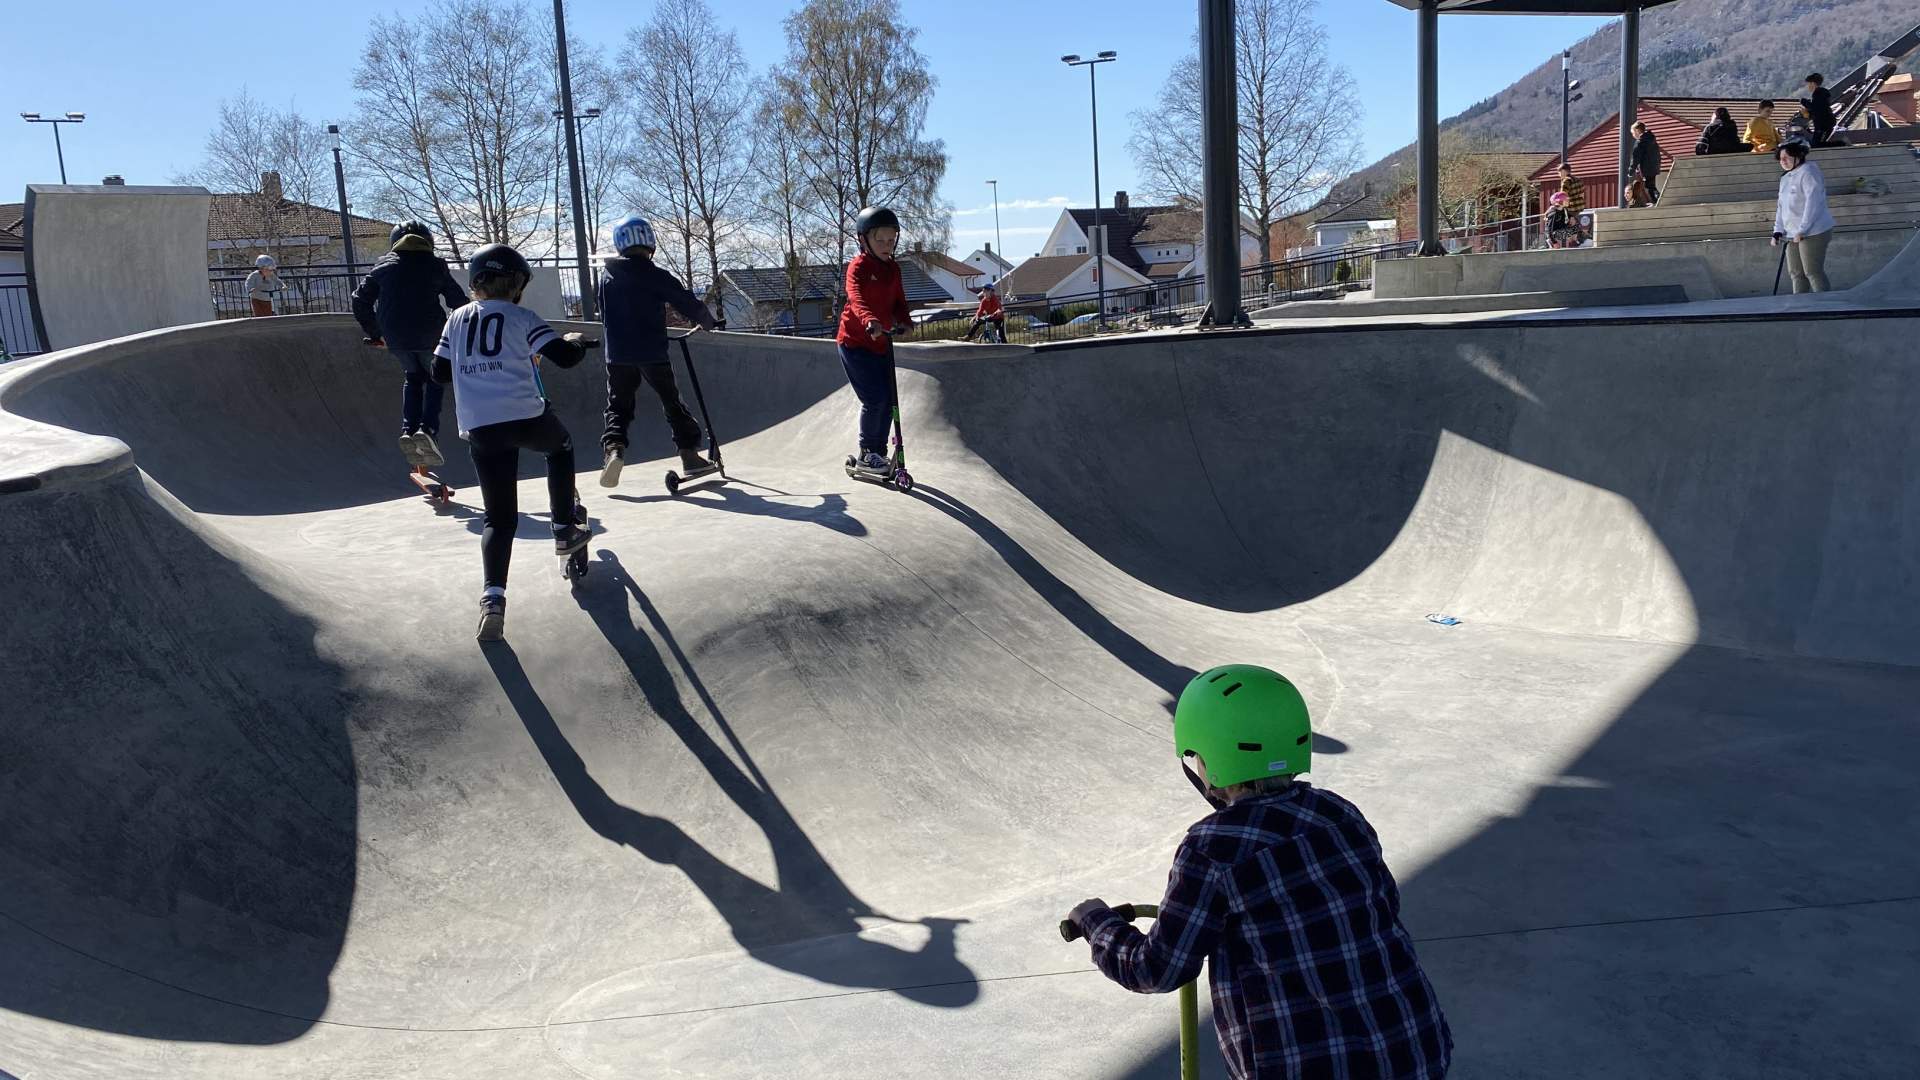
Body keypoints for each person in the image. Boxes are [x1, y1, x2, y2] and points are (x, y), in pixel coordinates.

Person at [1065, 665, 1452, 1079]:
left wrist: (1097, 922)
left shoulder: (1212, 847)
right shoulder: (1340, 813)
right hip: (1414, 1049)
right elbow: (1384, 906)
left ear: (1209, 758)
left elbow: (1157, 968)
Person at [431, 243, 596, 641]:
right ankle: (562, 528)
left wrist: (479, 371)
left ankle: (493, 601)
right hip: (526, 418)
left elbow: (439, 373)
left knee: (499, 519)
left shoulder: (455, 320)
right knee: (560, 448)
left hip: (482, 429)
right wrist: (574, 340)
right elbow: (566, 358)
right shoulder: (523, 317)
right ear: (517, 286)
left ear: (475, 283)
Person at [594, 213, 719, 488]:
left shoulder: (606, 277)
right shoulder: (653, 274)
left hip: (617, 354)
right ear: (650, 243)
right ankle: (689, 455)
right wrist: (708, 321)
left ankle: (614, 450)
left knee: (618, 405)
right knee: (672, 402)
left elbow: (603, 313)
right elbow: (683, 300)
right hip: (652, 352)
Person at [351, 220, 469, 469]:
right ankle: (428, 431)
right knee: (436, 379)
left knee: (413, 377)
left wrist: (376, 333)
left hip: (396, 338)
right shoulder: (436, 265)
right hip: (430, 335)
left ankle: (409, 430)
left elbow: (360, 301)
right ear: (428, 242)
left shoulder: (382, 266)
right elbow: (458, 301)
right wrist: (464, 332)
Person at [836, 206, 913, 476]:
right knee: (875, 399)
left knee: (889, 399)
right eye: (880, 239)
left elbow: (899, 303)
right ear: (863, 239)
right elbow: (855, 297)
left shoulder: (893, 269)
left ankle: (878, 453)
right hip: (855, 343)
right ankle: (868, 452)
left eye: (891, 240)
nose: (886, 245)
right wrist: (870, 320)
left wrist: (905, 321)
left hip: (881, 343)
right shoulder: (858, 267)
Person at [1774, 140, 1836, 294]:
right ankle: (1800, 305)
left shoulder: (1809, 172)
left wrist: (1802, 229)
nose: (1783, 161)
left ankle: (1824, 306)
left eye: (1787, 157)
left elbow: (1813, 204)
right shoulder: (1786, 178)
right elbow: (1781, 207)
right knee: (1796, 273)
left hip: (1813, 231)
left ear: (1799, 156)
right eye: (1781, 158)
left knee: (1812, 271)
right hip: (1791, 233)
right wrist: (1777, 230)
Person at [1630, 121, 1663, 205]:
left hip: (1647, 168)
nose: (1633, 135)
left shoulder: (1640, 142)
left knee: (1649, 187)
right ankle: (1657, 200)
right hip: (1654, 166)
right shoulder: (1651, 139)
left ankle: (1657, 201)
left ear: (1637, 131)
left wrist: (1631, 170)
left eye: (1633, 133)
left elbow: (1635, 157)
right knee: (1651, 185)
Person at [1801, 73, 1836, 146]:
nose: (1808, 86)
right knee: (1816, 145)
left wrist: (1804, 102)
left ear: (1813, 83)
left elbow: (1815, 108)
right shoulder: (1821, 94)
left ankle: (1841, 144)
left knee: (1818, 146)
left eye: (1808, 84)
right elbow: (1819, 111)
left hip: (1823, 126)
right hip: (1823, 125)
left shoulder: (1818, 93)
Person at [1555, 163, 1586, 240]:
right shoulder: (1578, 179)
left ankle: (1577, 239)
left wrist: (1558, 205)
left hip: (1572, 206)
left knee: (1571, 222)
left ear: (1564, 171)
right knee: (1574, 222)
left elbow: (1563, 196)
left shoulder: (1566, 181)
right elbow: (1582, 194)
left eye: (1559, 172)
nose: (1558, 174)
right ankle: (1578, 237)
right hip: (1580, 206)